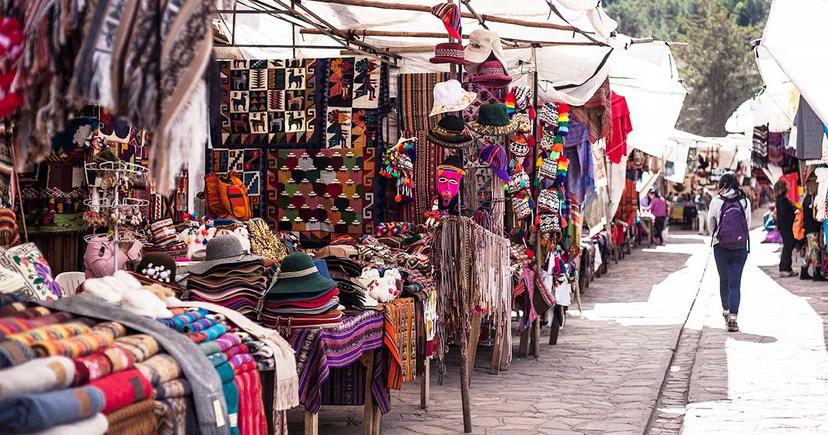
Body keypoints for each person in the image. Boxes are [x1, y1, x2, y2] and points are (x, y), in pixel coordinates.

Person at [708, 172, 751, 332]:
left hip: (720, 246)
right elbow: (747, 223)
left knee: (723, 280)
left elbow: (711, 224)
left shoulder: (716, 201)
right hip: (740, 247)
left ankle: (726, 310)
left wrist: (719, 234)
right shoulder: (745, 201)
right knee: (736, 283)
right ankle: (733, 317)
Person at [801, 180, 825, 281]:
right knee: (814, 250)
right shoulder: (810, 200)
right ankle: (816, 272)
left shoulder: (807, 198)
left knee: (810, 250)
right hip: (812, 228)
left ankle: (804, 271)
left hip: (809, 228)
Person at [773, 180, 796, 277]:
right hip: (785, 226)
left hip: (786, 226)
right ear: (783, 188)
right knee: (788, 246)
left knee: (789, 245)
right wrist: (794, 214)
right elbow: (785, 214)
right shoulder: (782, 200)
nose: (788, 186)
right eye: (787, 185)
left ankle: (788, 268)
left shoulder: (782, 199)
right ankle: (784, 268)